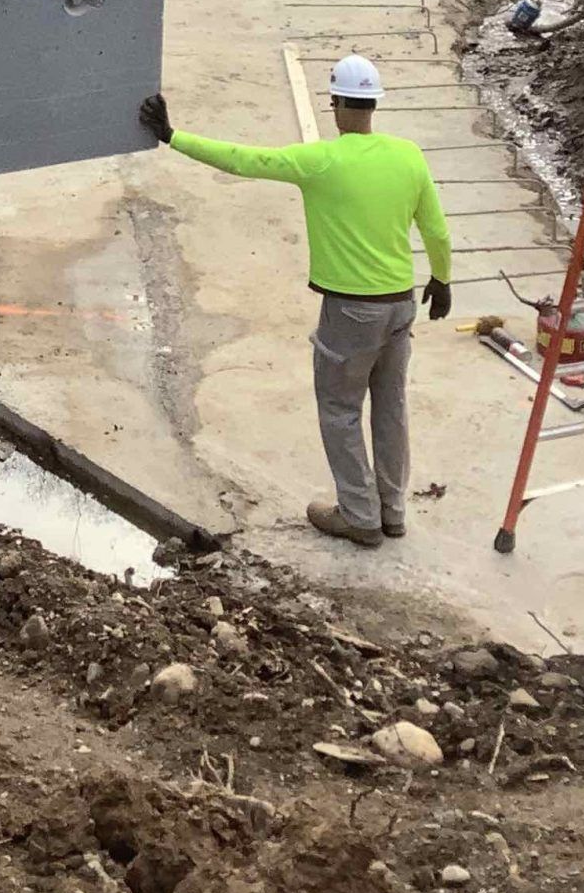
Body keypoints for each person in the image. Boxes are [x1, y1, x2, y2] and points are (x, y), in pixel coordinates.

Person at [138, 54, 452, 549]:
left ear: (337, 105)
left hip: (350, 311)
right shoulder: (409, 155)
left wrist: (174, 137)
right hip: (400, 304)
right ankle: (392, 512)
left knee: (340, 409)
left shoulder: (320, 161)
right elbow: (434, 227)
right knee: (390, 407)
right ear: (374, 104)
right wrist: (443, 278)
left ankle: (359, 516)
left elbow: (244, 160)